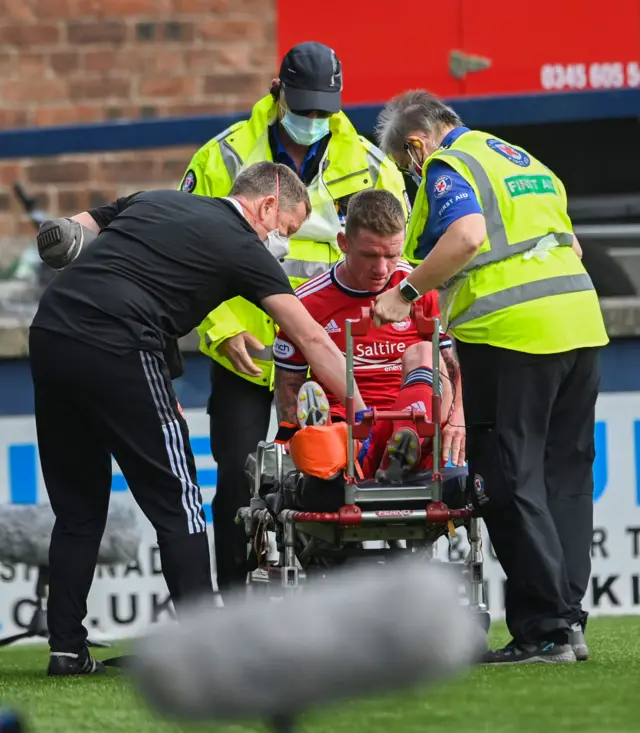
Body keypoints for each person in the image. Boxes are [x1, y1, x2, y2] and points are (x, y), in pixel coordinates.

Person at [30, 161, 367, 676]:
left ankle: (67, 650)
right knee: (181, 503)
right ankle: (208, 648)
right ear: (267, 204)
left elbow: (67, 234)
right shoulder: (242, 246)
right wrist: (365, 411)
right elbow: (313, 338)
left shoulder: (154, 199)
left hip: (52, 330)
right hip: (120, 341)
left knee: (78, 512)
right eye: (288, 230)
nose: (284, 242)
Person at [372, 90, 609, 664]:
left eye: (407, 166)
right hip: (580, 326)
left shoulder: (450, 166)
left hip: (512, 335)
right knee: (566, 479)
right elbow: (570, 244)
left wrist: (406, 293)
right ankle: (567, 623)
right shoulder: (523, 161)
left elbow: (469, 236)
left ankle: (544, 631)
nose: (410, 176)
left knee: (506, 479)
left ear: (416, 144)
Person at [178, 41, 409, 599]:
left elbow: (394, 257)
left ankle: (339, 601)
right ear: (277, 91)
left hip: (334, 352)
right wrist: (221, 326)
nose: (311, 122)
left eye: (322, 111)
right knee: (238, 476)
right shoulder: (224, 156)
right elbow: (189, 250)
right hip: (248, 349)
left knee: (345, 472)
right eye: (302, 109)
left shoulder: (372, 165)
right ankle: (234, 605)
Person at [273, 188, 465, 481]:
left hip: (411, 418)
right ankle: (346, 446)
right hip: (347, 422)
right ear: (343, 243)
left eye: (391, 255)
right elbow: (289, 385)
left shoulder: (417, 287)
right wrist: (290, 438)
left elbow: (449, 367)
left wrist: (455, 421)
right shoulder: (305, 304)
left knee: (426, 353)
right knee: (320, 442)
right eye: (370, 255)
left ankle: (394, 452)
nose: (381, 269)